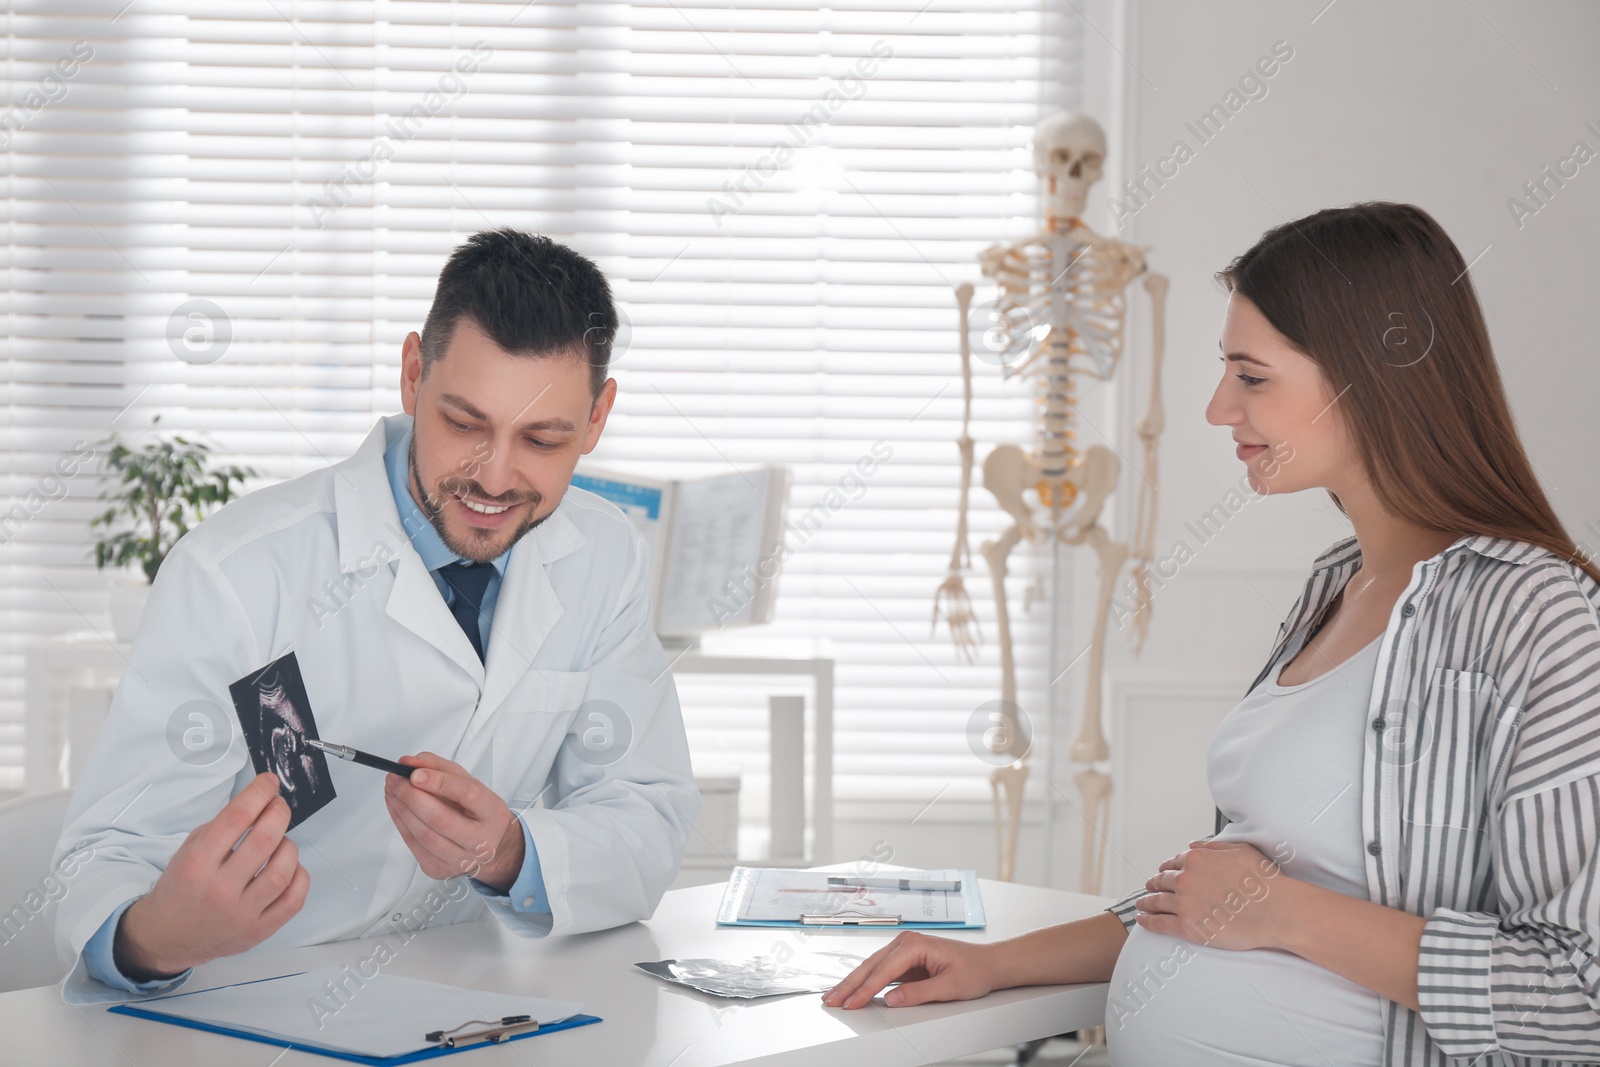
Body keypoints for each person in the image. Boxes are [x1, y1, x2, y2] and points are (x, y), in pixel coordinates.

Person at [823, 202, 1600, 1066]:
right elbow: (1215, 895)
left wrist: (1288, 913)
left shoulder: (1534, 617)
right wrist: (995, 962)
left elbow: (1578, 994)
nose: (1217, 408)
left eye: (1252, 377)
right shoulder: (1332, 585)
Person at [52, 229, 701, 1003]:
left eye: (542, 438)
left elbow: (645, 815)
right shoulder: (237, 572)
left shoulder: (604, 554)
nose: (494, 475)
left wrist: (510, 851)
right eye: (464, 422)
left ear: (596, 420)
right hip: (241, 1009)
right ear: (412, 375)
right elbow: (102, 856)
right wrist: (160, 932)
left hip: (471, 1003)